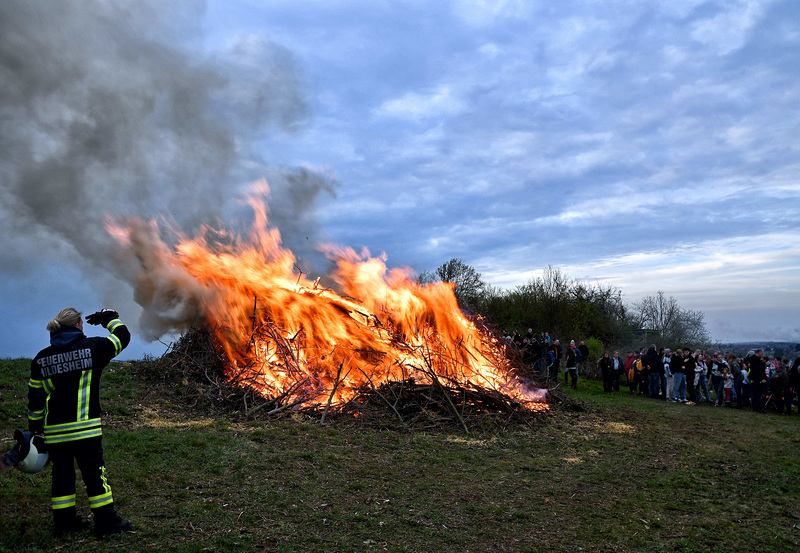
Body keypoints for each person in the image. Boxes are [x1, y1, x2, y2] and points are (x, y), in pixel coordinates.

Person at [28, 307, 133, 537]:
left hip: (55, 433)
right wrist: (109, 319)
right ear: (78, 325)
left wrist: (34, 429)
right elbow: (122, 337)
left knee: (62, 477)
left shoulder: (41, 359)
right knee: (96, 477)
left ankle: (64, 523)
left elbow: (35, 399)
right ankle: (106, 522)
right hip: (86, 431)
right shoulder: (92, 348)